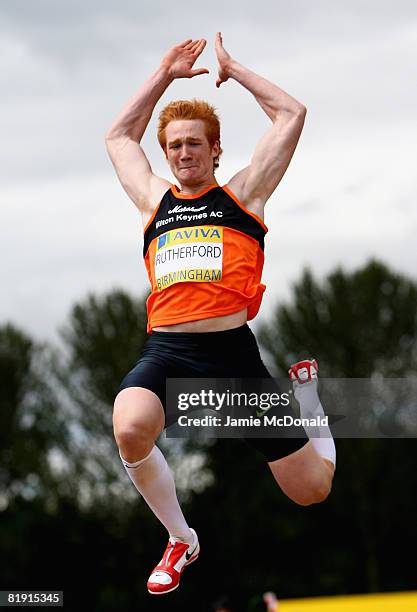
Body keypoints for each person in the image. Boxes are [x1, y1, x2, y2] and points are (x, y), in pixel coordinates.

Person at [105, 33, 336, 596]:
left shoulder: (244, 197)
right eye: (175, 146)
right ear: (167, 154)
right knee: (130, 427)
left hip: (232, 357)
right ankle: (181, 537)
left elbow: (292, 113)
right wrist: (163, 73)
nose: (184, 153)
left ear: (215, 151)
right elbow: (118, 136)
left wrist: (234, 71)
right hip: (168, 350)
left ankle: (308, 404)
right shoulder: (153, 202)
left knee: (312, 490)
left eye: (195, 144)